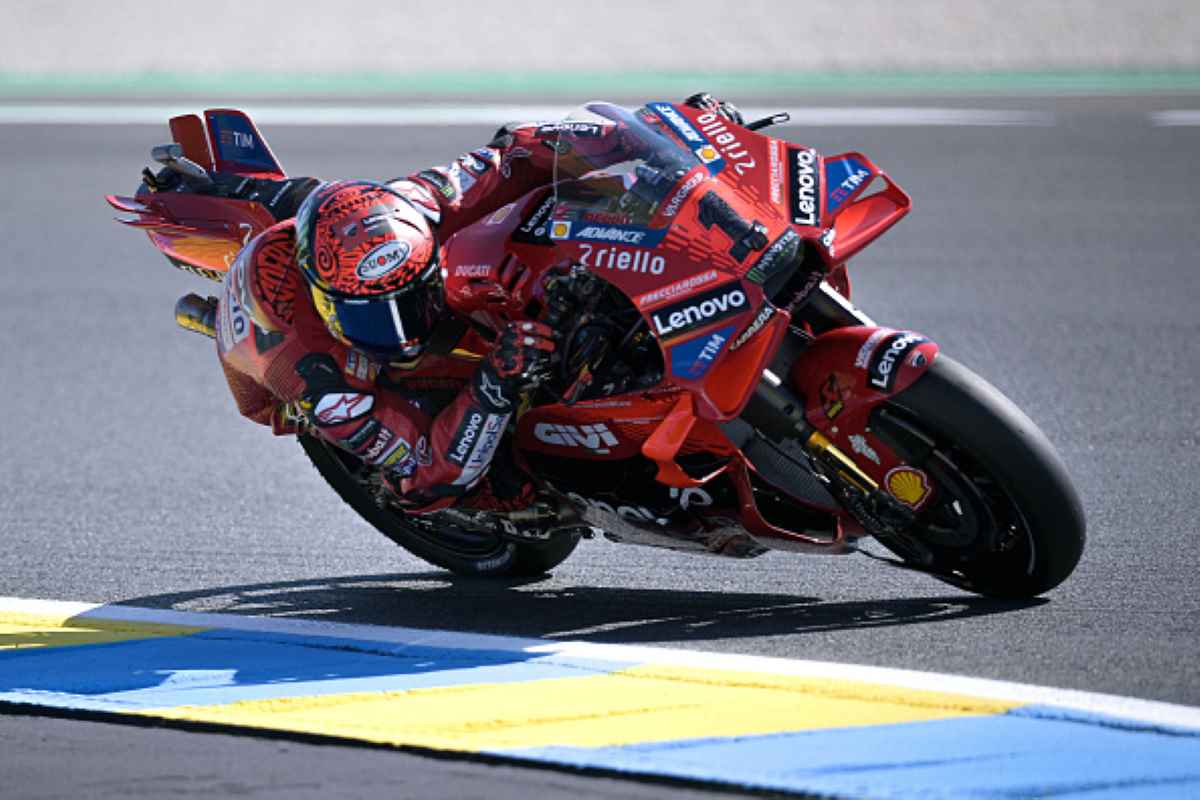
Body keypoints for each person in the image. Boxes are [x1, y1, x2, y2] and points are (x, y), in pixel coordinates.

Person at [152, 95, 743, 516]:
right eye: (370, 313)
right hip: (286, 362)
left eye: (409, 300)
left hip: (329, 226)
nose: (402, 332)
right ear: (326, 302)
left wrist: (649, 135)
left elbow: (521, 151)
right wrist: (493, 384)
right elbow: (424, 471)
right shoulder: (308, 371)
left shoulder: (421, 203)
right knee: (462, 488)